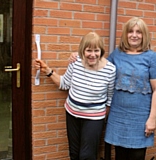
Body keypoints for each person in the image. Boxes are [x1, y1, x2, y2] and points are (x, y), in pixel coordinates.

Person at [69, 17, 156, 160]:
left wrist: (152, 118)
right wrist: (78, 55)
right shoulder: (117, 54)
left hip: (140, 117)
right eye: (130, 31)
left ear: (144, 35)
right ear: (125, 34)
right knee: (119, 155)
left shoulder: (151, 57)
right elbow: (97, 64)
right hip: (118, 115)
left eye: (139, 32)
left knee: (137, 155)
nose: (134, 35)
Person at [35, 32, 116, 160]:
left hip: (94, 119)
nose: (92, 54)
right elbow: (64, 83)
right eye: (89, 50)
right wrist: (47, 71)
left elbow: (110, 97)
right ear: (83, 51)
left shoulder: (110, 70)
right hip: (72, 114)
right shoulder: (75, 62)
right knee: (74, 154)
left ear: (101, 51)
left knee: (87, 156)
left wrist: (102, 116)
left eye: (96, 50)